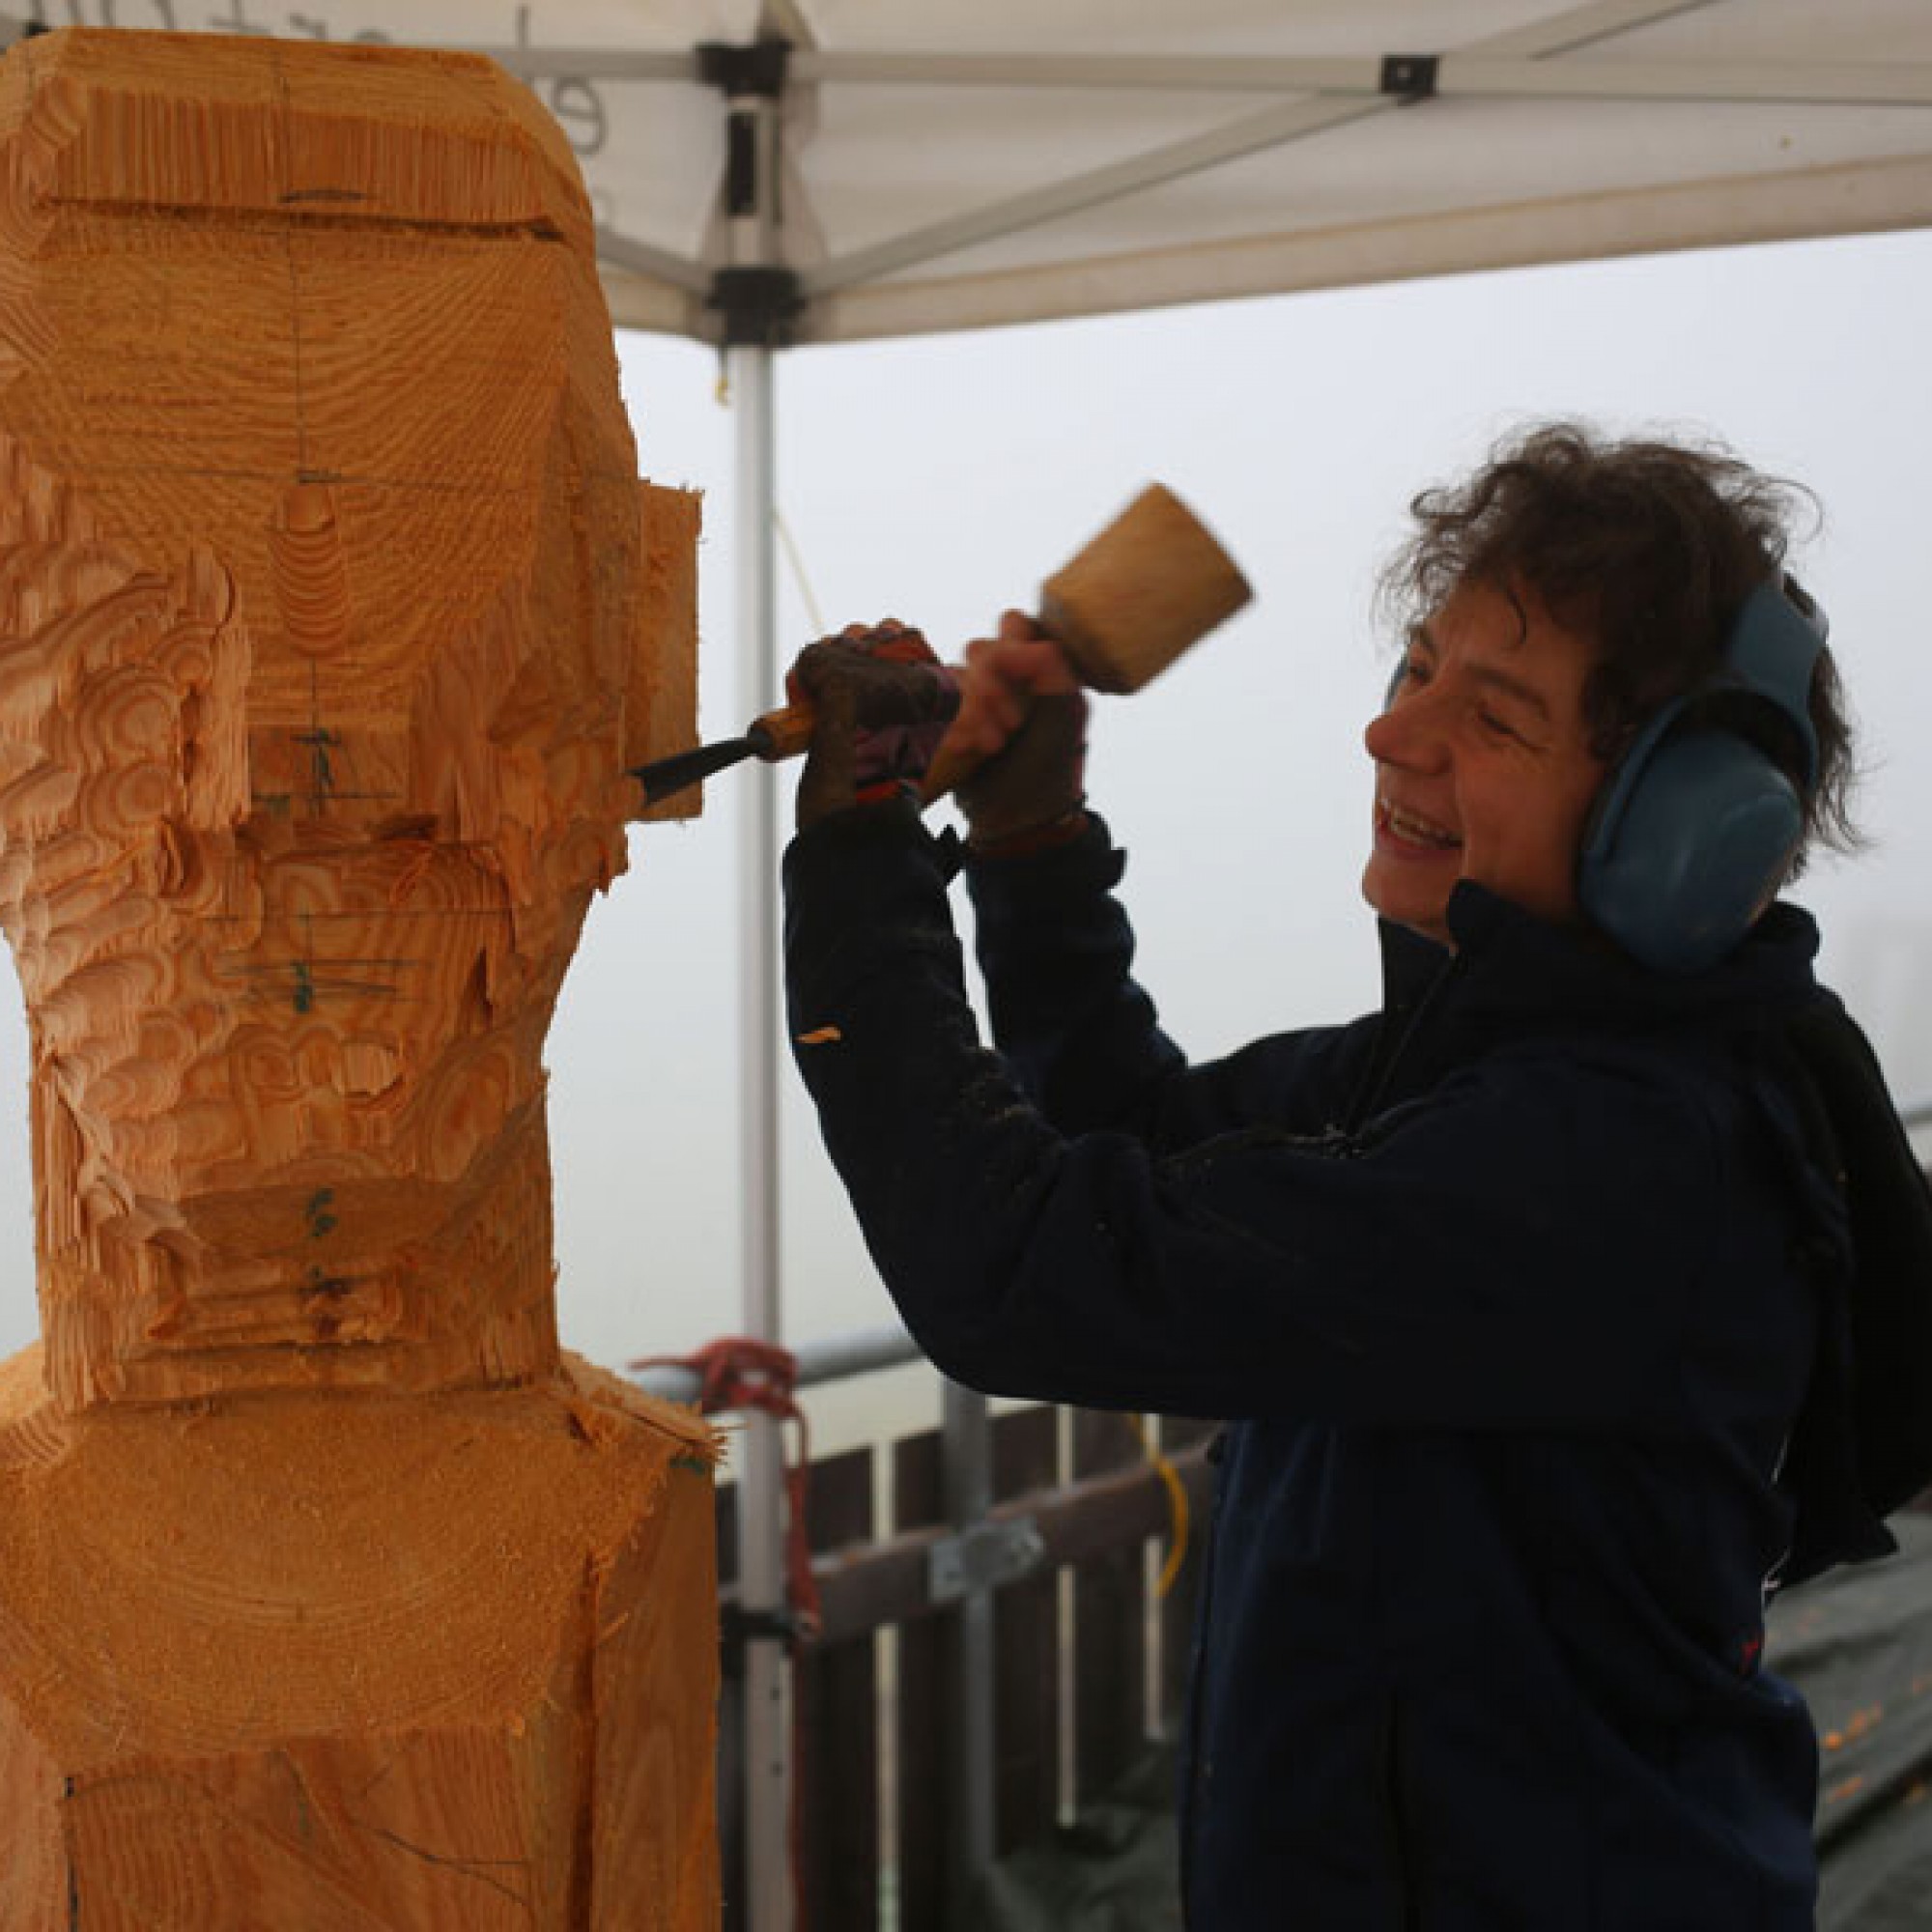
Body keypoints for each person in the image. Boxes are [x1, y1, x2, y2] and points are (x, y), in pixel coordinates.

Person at [779, 423, 1932, 1928]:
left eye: (1496, 718)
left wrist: (864, 854)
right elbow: (1130, 1138)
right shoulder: (1481, 1072)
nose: (1395, 739)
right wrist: (1031, 844)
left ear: (1686, 833)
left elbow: (1017, 1272)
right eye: (1417, 671)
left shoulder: (1615, 1162)